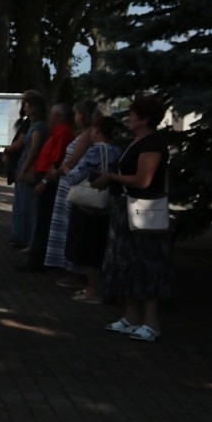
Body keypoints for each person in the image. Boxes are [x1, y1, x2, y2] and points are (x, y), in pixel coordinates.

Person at [95, 96, 172, 342]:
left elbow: (143, 180)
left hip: (144, 211)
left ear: (145, 118)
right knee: (126, 262)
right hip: (126, 207)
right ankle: (131, 317)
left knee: (146, 264)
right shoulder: (137, 140)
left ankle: (151, 322)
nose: (128, 118)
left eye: (133, 114)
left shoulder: (153, 143)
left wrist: (112, 177)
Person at [62, 116, 122, 304]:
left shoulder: (95, 150)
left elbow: (75, 176)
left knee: (88, 246)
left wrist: (65, 169)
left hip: (89, 204)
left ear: (97, 130)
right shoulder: (117, 150)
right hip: (108, 203)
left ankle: (93, 290)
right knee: (100, 247)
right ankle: (97, 287)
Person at [45, 100, 99, 284]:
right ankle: (68, 266)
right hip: (68, 182)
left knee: (71, 227)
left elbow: (74, 160)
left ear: (82, 116)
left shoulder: (87, 135)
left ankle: (75, 271)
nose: (75, 117)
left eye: (77, 114)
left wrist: (58, 170)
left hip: (72, 183)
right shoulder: (83, 134)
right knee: (67, 226)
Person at [22, 102, 76, 271]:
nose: (49, 118)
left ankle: (37, 261)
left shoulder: (63, 132)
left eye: (52, 115)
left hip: (49, 181)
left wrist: (44, 182)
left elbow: (56, 161)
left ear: (57, 116)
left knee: (44, 221)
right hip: (45, 177)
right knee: (42, 219)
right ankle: (38, 258)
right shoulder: (58, 131)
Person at [7, 91, 47, 249]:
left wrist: (24, 169)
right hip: (25, 164)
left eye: (27, 104)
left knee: (28, 205)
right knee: (21, 203)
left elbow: (34, 150)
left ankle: (28, 239)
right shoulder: (31, 124)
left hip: (29, 167)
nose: (25, 107)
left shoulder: (38, 126)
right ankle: (21, 237)